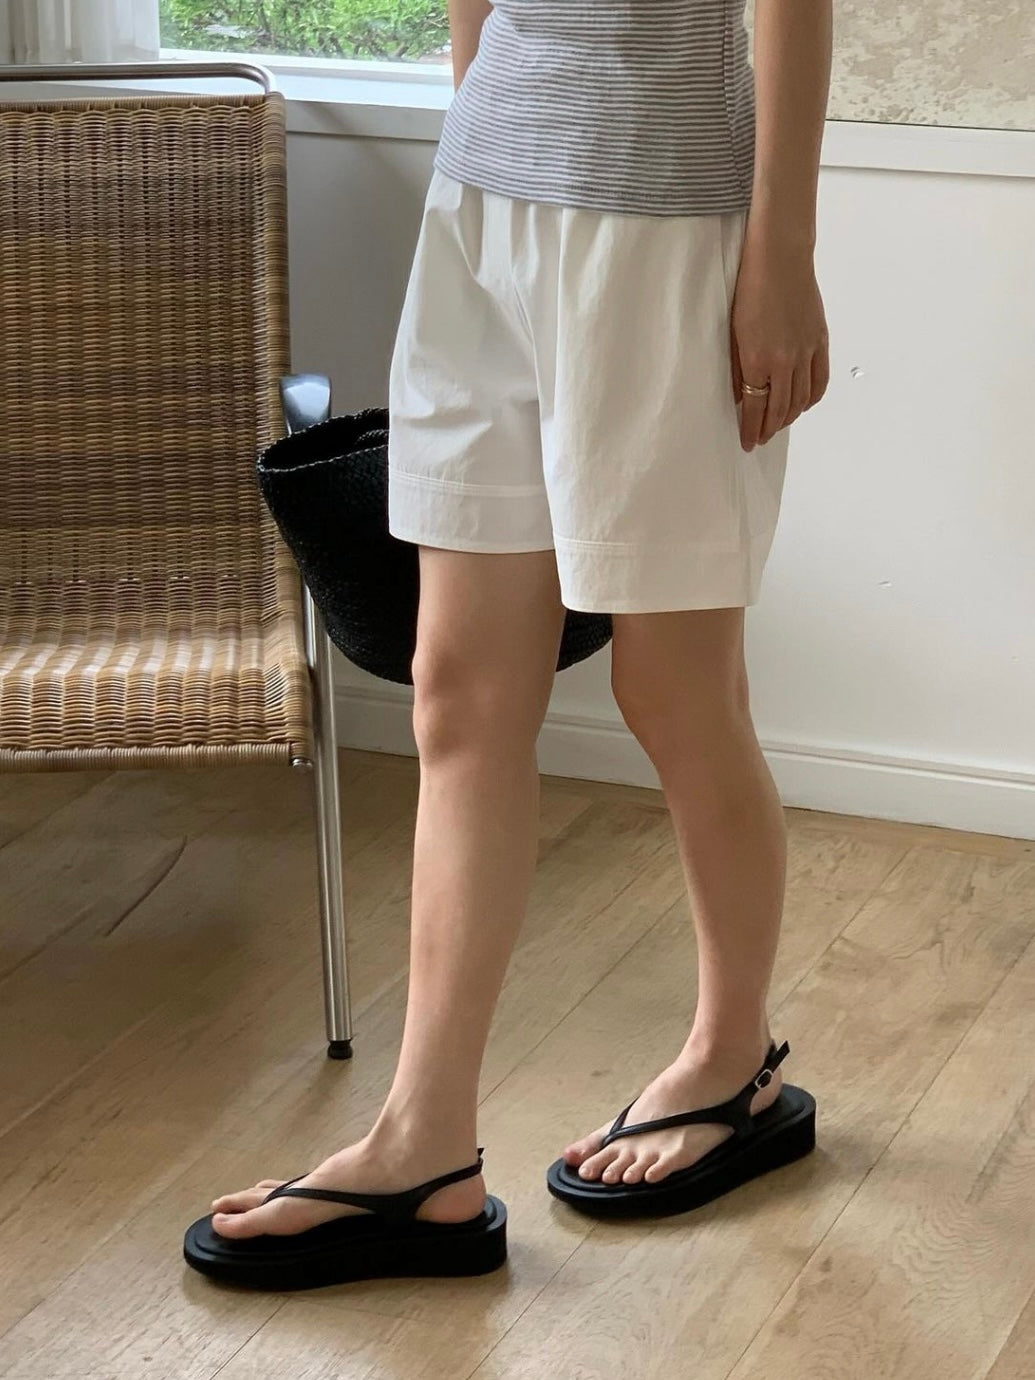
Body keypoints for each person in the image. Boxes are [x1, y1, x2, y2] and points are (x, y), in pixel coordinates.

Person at [184, 0, 833, 1289]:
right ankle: (423, 1141)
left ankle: (732, 1060)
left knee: (677, 690)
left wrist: (783, 251)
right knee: (457, 694)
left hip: (662, 215)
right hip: (482, 200)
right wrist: (471, 110)